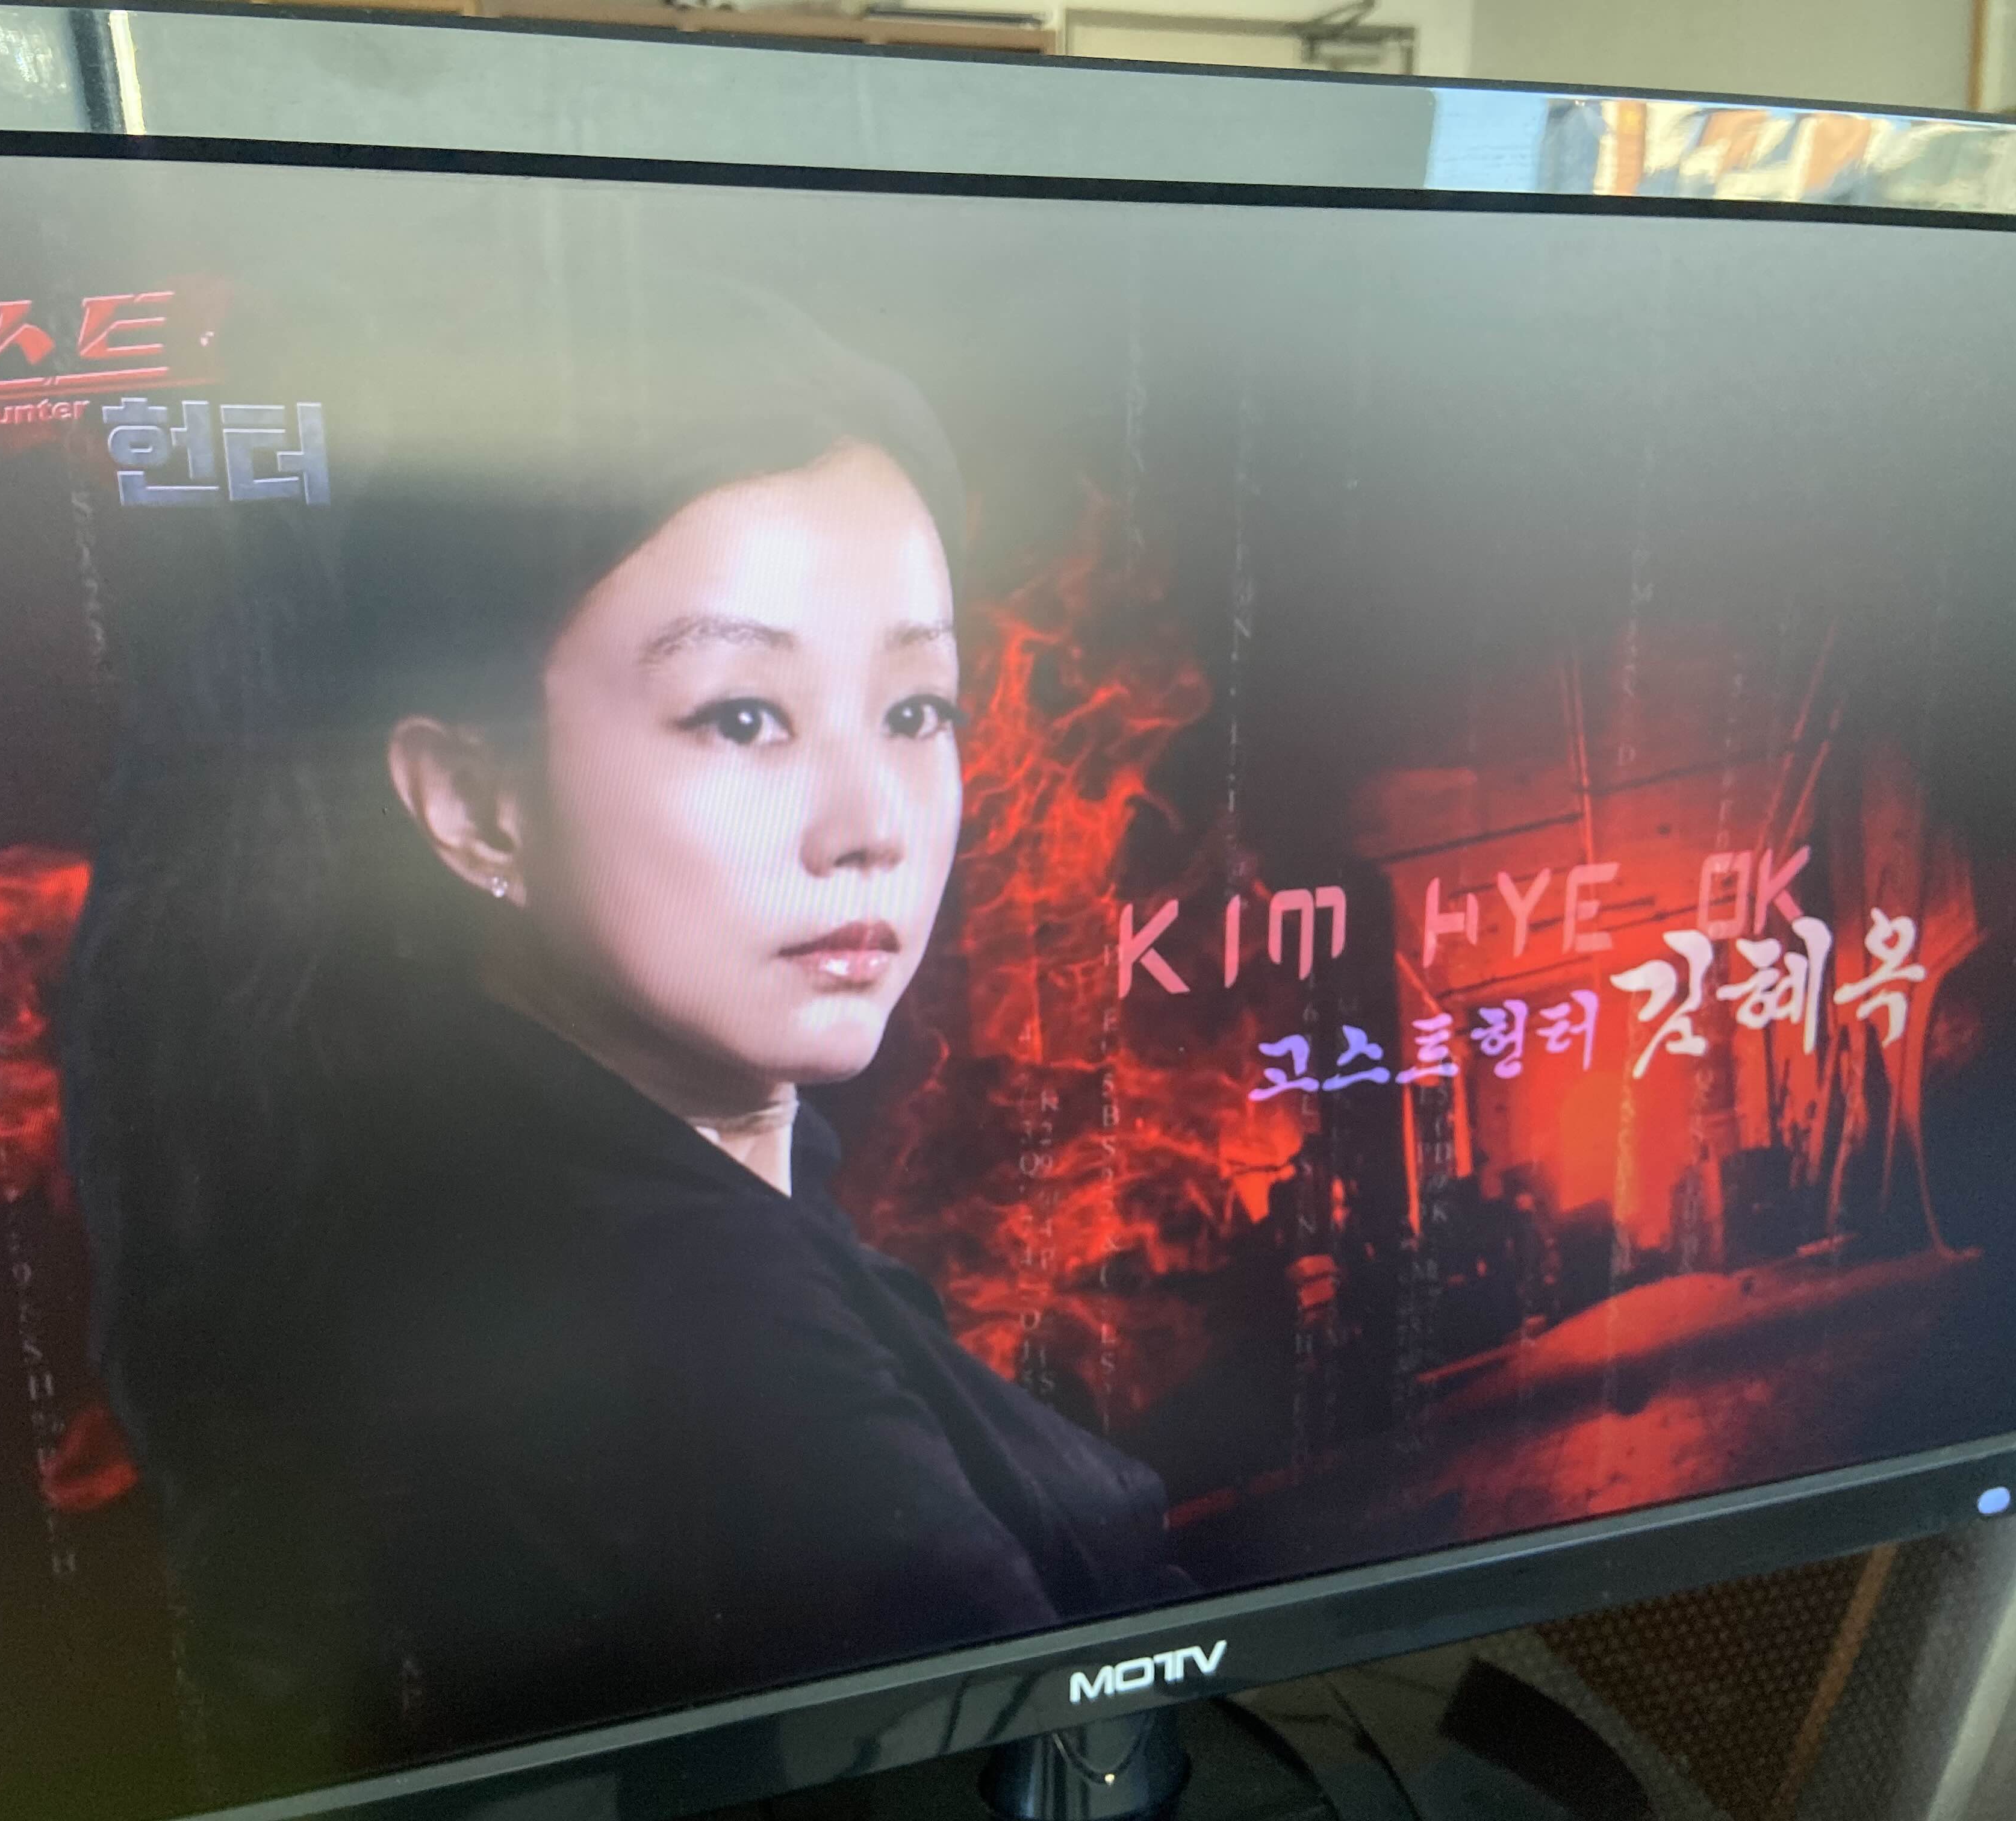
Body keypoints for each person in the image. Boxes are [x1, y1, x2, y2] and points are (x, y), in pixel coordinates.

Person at [61, 281, 1181, 1793]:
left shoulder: (512, 1197)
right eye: (742, 717)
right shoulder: (695, 1322)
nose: (870, 825)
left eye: (917, 712)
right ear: (476, 805)